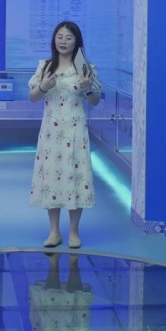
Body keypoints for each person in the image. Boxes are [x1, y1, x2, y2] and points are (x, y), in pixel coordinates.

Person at [28, 21, 101, 249]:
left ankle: (73, 231)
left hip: (75, 131)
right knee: (51, 176)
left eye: (68, 38)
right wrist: (43, 86)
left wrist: (87, 87)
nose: (63, 41)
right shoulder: (45, 66)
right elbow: (33, 97)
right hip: (51, 132)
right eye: (59, 36)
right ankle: (53, 232)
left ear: (76, 41)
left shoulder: (85, 68)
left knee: (75, 177)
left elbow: (95, 101)